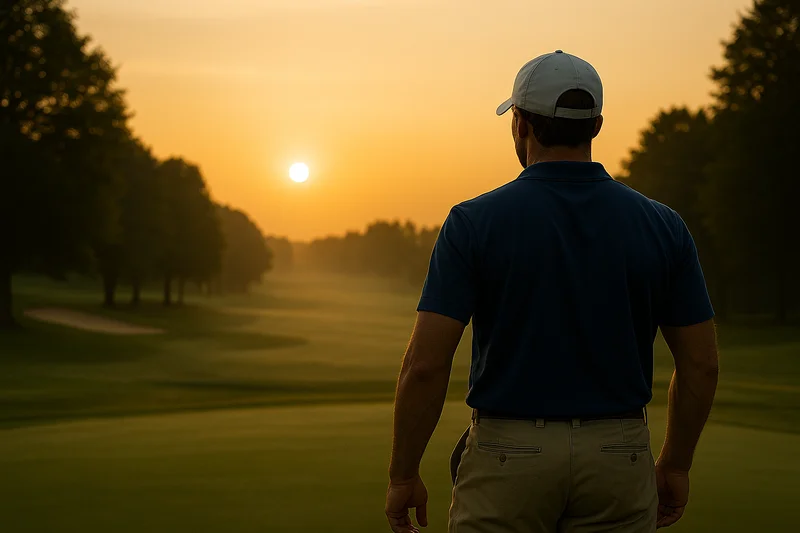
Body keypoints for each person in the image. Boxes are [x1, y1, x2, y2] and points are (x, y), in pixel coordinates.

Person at [385, 51, 719, 533]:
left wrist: (403, 474)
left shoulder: (473, 222)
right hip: (619, 455)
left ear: (520, 123)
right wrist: (676, 464)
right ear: (596, 125)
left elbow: (424, 366)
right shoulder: (663, 225)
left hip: (507, 455)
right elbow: (702, 364)